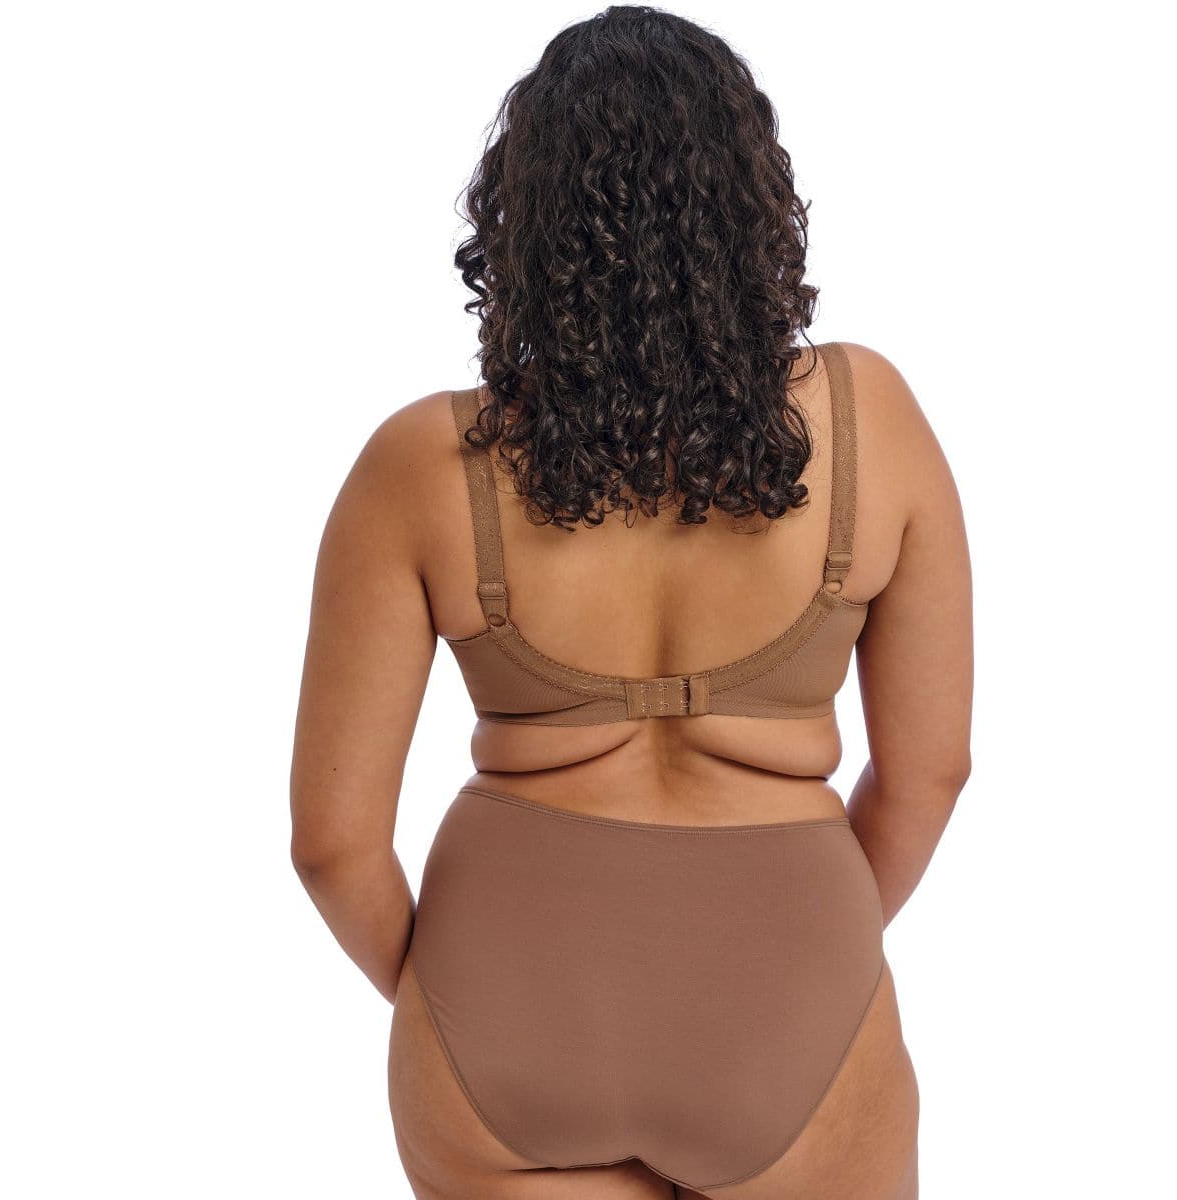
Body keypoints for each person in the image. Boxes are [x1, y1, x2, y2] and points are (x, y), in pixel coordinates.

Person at [289, 7, 972, 1198]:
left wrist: (451, 999)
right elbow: (931, 774)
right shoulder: (872, 425)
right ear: (753, 205)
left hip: (506, 997)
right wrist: (800, 952)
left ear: (523, 224)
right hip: (787, 990)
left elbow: (332, 843)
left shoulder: (421, 466)